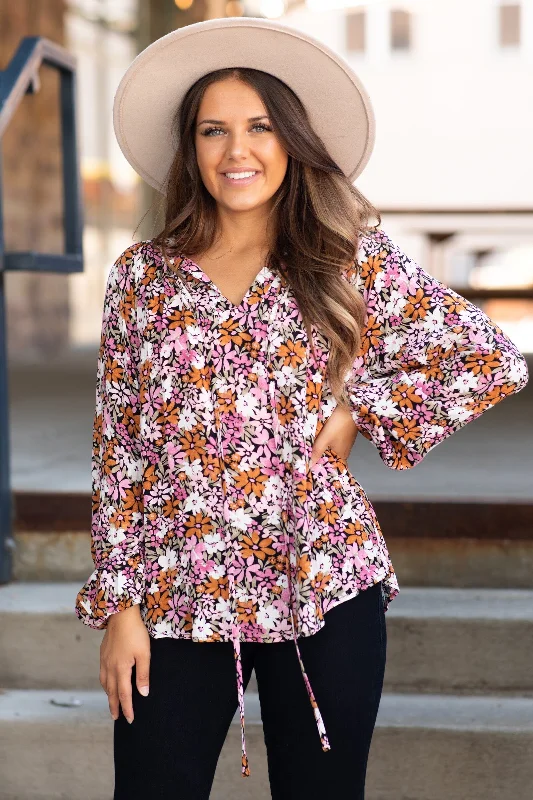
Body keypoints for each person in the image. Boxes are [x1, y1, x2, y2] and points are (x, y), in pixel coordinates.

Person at [74, 17, 529, 800]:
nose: (235, 150)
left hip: (321, 579)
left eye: (258, 127)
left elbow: (484, 357)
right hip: (176, 589)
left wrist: (361, 408)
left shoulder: (347, 256)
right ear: (191, 149)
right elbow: (120, 451)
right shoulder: (142, 279)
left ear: (291, 140)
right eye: (213, 130)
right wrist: (119, 606)